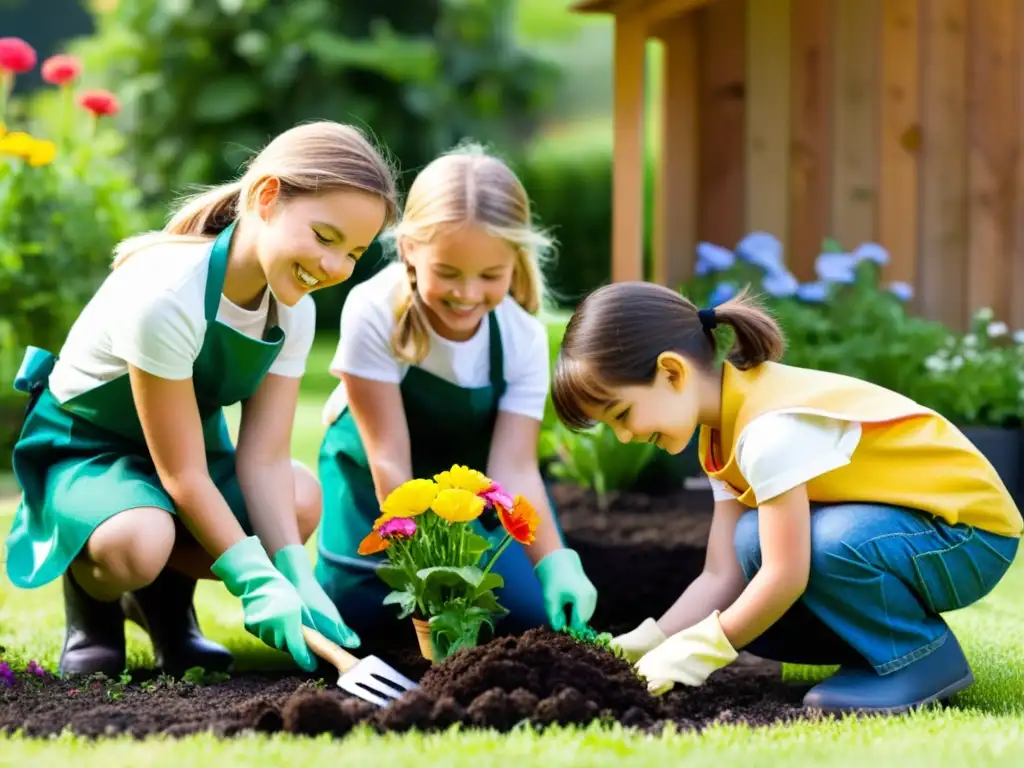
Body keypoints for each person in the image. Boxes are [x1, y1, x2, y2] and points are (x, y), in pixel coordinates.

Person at [6, 121, 399, 677]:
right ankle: (95, 597)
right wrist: (252, 578)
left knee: (299, 497)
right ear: (266, 197)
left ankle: (164, 604)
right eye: (324, 237)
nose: (334, 267)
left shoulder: (292, 310)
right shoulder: (168, 295)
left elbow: (261, 460)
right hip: (87, 453)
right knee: (140, 540)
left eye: (354, 252)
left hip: (181, 461)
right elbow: (184, 476)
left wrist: (293, 572)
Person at [549, 280, 1021, 714]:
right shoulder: (719, 436)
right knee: (751, 541)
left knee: (823, 544)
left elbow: (786, 574)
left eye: (622, 413)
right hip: (910, 530)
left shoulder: (768, 431)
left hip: (967, 534)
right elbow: (723, 572)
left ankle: (919, 659)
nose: (625, 436)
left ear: (672, 372)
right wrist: (650, 642)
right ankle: (876, 652)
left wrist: (704, 650)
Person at [314, 143, 598, 639]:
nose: (467, 294)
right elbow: (389, 462)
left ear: (515, 260)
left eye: (490, 276)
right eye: (447, 273)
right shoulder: (373, 310)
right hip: (375, 503)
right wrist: (427, 572)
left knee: (527, 621)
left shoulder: (520, 336)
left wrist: (555, 562)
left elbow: (513, 468)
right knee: (362, 624)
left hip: (466, 512)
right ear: (409, 250)